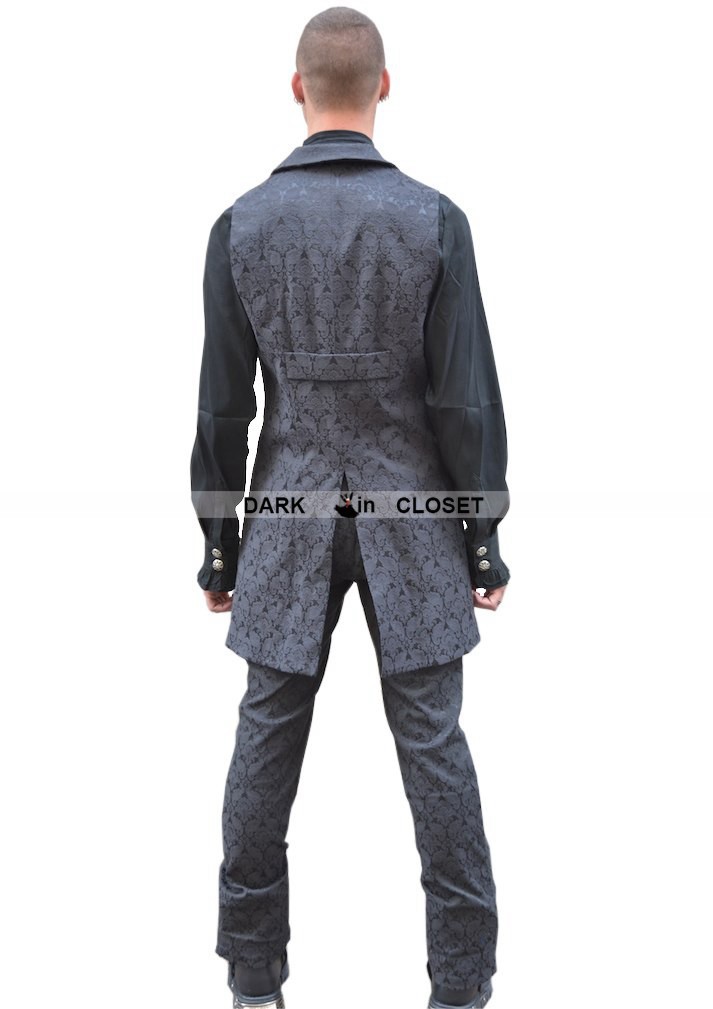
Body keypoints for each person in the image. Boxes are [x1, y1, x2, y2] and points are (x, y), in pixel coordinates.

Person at [190, 7, 511, 1008]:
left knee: (265, 740)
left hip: (288, 519)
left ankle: (253, 978)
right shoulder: (434, 221)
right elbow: (463, 398)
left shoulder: (240, 226)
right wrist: (483, 539)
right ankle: (460, 985)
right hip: (410, 517)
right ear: (384, 86)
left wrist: (219, 545)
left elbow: (222, 404)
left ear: (297, 88)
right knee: (434, 750)